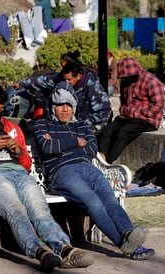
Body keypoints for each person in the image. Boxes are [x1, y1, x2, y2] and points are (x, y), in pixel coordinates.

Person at [0, 82, 94, 272]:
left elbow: (26, 165)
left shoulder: (11, 127)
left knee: (39, 209)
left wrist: (18, 151)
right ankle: (39, 252)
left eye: (0, 109)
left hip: (19, 173)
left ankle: (65, 249)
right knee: (16, 210)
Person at [33, 82, 156, 260]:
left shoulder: (82, 124)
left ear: (74, 106)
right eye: (60, 105)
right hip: (63, 172)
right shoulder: (42, 124)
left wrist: (62, 143)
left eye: (69, 105)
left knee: (111, 201)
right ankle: (125, 244)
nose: (65, 109)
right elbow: (47, 146)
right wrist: (76, 141)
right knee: (93, 202)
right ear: (53, 107)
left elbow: (91, 149)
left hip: (89, 169)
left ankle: (129, 234)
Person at [14, 51, 112, 135]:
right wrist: (22, 83)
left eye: (69, 80)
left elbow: (104, 112)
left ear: (78, 76)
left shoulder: (92, 86)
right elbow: (43, 81)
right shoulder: (63, 79)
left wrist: (81, 125)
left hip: (89, 126)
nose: (67, 83)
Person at [97, 57, 165, 164]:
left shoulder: (151, 82)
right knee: (108, 130)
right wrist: (127, 112)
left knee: (123, 132)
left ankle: (108, 162)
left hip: (147, 119)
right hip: (128, 116)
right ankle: (100, 158)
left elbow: (159, 105)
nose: (125, 80)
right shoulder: (126, 81)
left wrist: (139, 112)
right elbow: (124, 101)